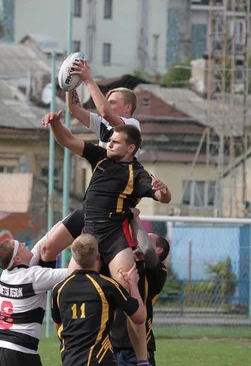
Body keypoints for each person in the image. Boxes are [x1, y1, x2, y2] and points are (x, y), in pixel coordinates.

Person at [42, 112, 171, 365]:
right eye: (109, 139)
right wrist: (56, 124)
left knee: (131, 297)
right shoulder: (100, 158)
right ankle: (71, 356)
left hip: (115, 238)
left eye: (116, 141)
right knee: (71, 292)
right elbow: (67, 140)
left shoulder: (139, 173)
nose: (109, 143)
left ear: (131, 147)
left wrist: (164, 192)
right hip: (88, 238)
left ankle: (142, 360)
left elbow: (162, 197)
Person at [39, 57, 142, 265]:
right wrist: (70, 81)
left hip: (113, 206)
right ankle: (49, 294)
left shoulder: (131, 126)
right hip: (93, 202)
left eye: (113, 102)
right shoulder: (106, 126)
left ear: (128, 108)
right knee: (47, 249)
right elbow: (74, 109)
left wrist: (87, 79)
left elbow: (104, 111)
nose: (107, 105)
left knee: (102, 265)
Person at [51, 234, 146, 366]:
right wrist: (133, 284)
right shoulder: (107, 286)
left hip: (69, 360)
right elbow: (139, 316)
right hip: (99, 360)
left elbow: (58, 325)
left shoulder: (59, 288)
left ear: (75, 259)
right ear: (98, 257)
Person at [0, 238, 70, 366]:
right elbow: (74, 272)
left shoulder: (6, 274)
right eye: (20, 245)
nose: (24, 243)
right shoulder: (33, 277)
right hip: (19, 352)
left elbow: (42, 243)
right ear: (17, 259)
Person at [111, 223, 170, 366]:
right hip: (112, 344)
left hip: (138, 347)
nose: (140, 241)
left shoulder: (158, 271)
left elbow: (147, 249)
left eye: (147, 239)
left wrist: (133, 220)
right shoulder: (123, 263)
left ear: (159, 250)